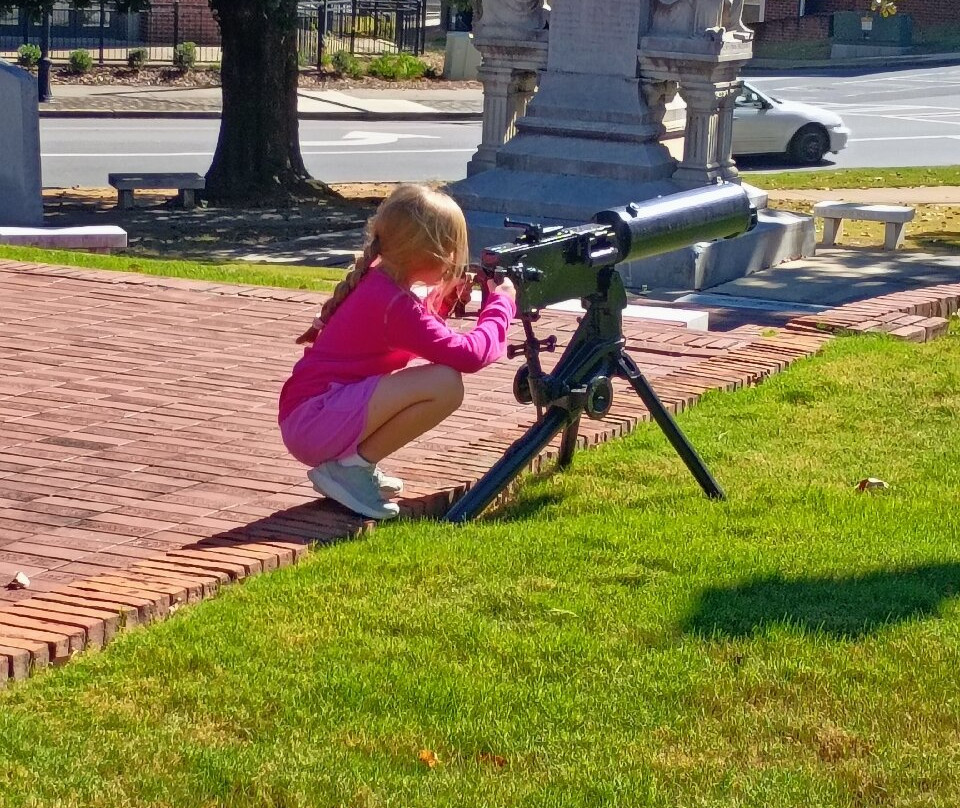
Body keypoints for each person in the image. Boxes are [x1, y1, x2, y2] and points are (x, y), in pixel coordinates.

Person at [278, 184, 516, 520]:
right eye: (450, 251)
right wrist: (503, 304)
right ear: (427, 251)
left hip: (309, 416)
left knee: (441, 379)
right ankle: (350, 469)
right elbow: (468, 355)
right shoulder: (393, 303)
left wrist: (448, 297)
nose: (454, 261)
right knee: (445, 383)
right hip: (314, 420)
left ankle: (354, 465)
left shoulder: (381, 284)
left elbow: (420, 331)